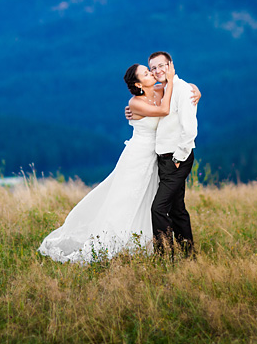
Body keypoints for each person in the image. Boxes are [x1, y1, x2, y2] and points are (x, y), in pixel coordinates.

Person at [38, 62, 200, 264]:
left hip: (157, 156)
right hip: (138, 155)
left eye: (149, 71)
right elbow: (165, 110)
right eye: (146, 73)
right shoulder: (135, 103)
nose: (151, 74)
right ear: (138, 84)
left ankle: (148, 245)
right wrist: (172, 81)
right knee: (125, 200)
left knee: (149, 200)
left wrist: (196, 91)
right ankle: (111, 242)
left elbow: (185, 86)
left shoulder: (159, 89)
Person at [128, 51, 199, 256]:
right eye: (153, 68)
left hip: (176, 158)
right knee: (177, 209)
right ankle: (188, 255)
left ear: (171, 65)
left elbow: (190, 129)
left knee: (158, 208)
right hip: (164, 158)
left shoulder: (183, 89)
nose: (157, 71)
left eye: (161, 66)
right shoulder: (164, 88)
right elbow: (146, 104)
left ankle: (164, 255)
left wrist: (179, 157)